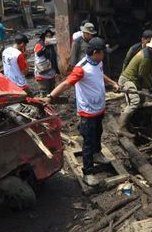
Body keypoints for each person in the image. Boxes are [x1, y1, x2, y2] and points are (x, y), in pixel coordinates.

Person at [48, 38, 120, 187]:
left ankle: (97, 153)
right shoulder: (81, 68)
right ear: (95, 53)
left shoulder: (97, 62)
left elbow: (100, 75)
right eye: (102, 53)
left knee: (98, 132)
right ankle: (88, 173)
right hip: (87, 111)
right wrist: (50, 97)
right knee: (88, 141)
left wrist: (112, 83)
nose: (104, 56)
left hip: (99, 107)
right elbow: (66, 83)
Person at [117, 35, 152, 137]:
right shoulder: (146, 57)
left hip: (133, 80)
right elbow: (142, 76)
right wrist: (150, 87)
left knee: (142, 101)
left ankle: (134, 124)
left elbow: (145, 74)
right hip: (128, 80)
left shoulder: (149, 54)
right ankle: (121, 128)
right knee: (135, 102)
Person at [34, 29, 59, 95]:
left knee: (52, 92)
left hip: (51, 72)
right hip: (42, 72)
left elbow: (54, 58)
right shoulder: (39, 44)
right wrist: (45, 46)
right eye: (47, 36)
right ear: (43, 36)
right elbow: (38, 54)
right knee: (44, 92)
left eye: (50, 36)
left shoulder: (52, 45)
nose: (49, 38)